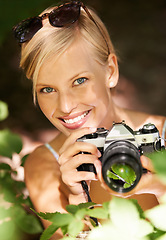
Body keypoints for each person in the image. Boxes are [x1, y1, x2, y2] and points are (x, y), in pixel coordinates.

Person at [13, 1, 166, 239]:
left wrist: (161, 190)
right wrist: (77, 200)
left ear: (110, 71)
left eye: (80, 81)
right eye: (47, 89)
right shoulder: (46, 165)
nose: (65, 106)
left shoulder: (163, 134)